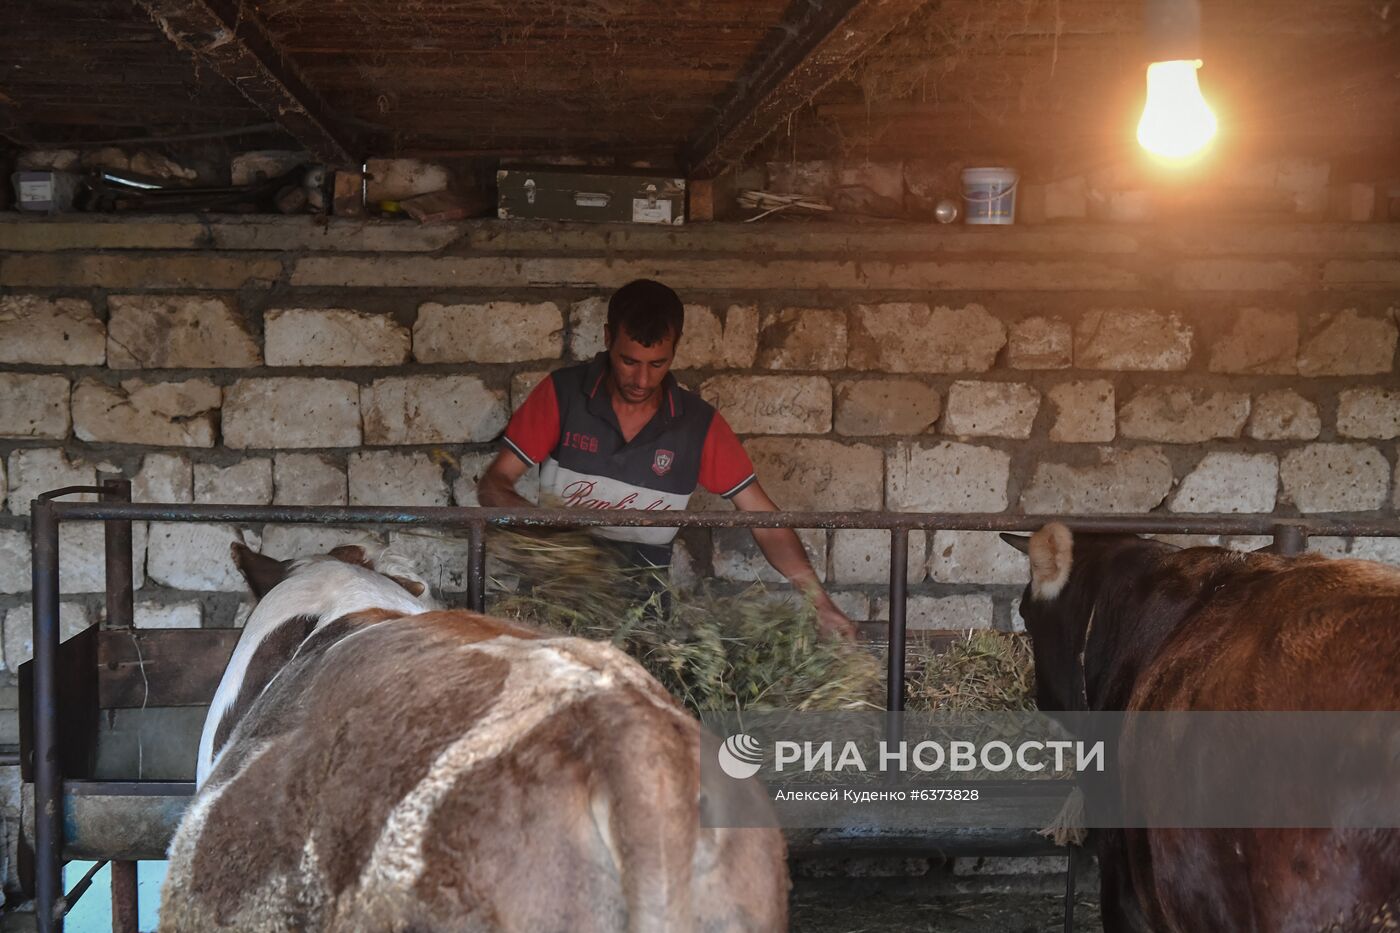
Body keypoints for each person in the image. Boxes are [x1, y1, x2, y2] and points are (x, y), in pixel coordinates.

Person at [478, 278, 856, 640]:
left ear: (675, 348)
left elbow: (766, 521)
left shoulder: (697, 425)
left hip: (642, 614)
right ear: (608, 338)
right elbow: (495, 484)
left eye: (657, 364)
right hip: (552, 600)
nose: (641, 380)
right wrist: (547, 540)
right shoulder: (563, 395)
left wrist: (819, 603)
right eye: (629, 361)